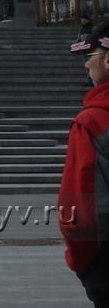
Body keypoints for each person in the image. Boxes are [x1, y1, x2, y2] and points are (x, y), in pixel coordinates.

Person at [62, 24, 109, 306]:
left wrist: (82, 263)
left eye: (89, 55)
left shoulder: (93, 124)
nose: (86, 65)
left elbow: (82, 210)